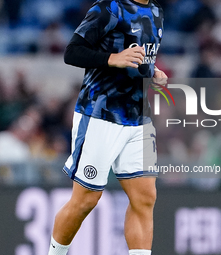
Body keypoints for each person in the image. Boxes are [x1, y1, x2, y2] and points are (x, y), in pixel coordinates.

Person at [48, 0, 167, 254]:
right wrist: (112, 58)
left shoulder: (156, 11)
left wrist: (153, 72)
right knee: (85, 200)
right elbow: (72, 51)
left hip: (138, 118)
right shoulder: (109, 8)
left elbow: (138, 58)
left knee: (145, 197)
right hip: (100, 114)